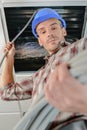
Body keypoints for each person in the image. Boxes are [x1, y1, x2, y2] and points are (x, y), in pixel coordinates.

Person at [0, 8, 87, 129]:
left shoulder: (80, 47)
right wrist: (9, 59)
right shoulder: (38, 77)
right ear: (40, 41)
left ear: (64, 31)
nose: (49, 33)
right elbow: (6, 92)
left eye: (54, 28)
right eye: (43, 31)